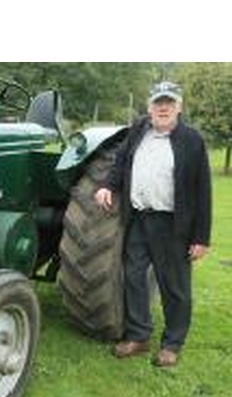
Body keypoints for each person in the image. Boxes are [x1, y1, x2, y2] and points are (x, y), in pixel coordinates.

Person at [95, 81, 212, 367]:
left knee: (174, 286)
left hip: (173, 225)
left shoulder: (192, 140)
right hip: (138, 218)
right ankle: (139, 336)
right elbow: (121, 162)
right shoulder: (138, 130)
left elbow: (203, 191)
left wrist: (201, 238)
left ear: (179, 107)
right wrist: (108, 185)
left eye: (169, 102)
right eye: (158, 102)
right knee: (134, 278)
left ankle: (172, 343)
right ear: (149, 107)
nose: (163, 107)